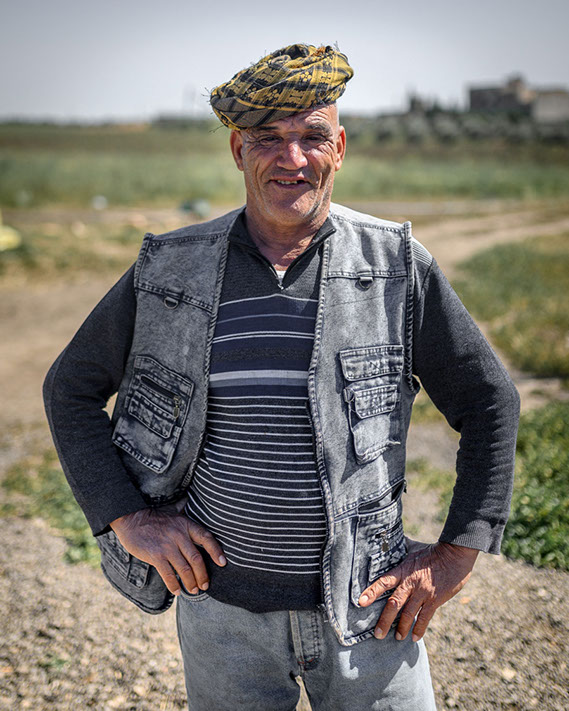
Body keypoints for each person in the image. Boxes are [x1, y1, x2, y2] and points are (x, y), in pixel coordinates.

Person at [44, 44, 520, 710]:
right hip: (221, 619)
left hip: (369, 614)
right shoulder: (171, 268)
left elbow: (488, 400)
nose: (291, 158)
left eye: (311, 137)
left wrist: (457, 554)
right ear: (237, 150)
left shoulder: (396, 265)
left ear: (339, 148)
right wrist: (127, 518)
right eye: (268, 138)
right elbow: (69, 388)